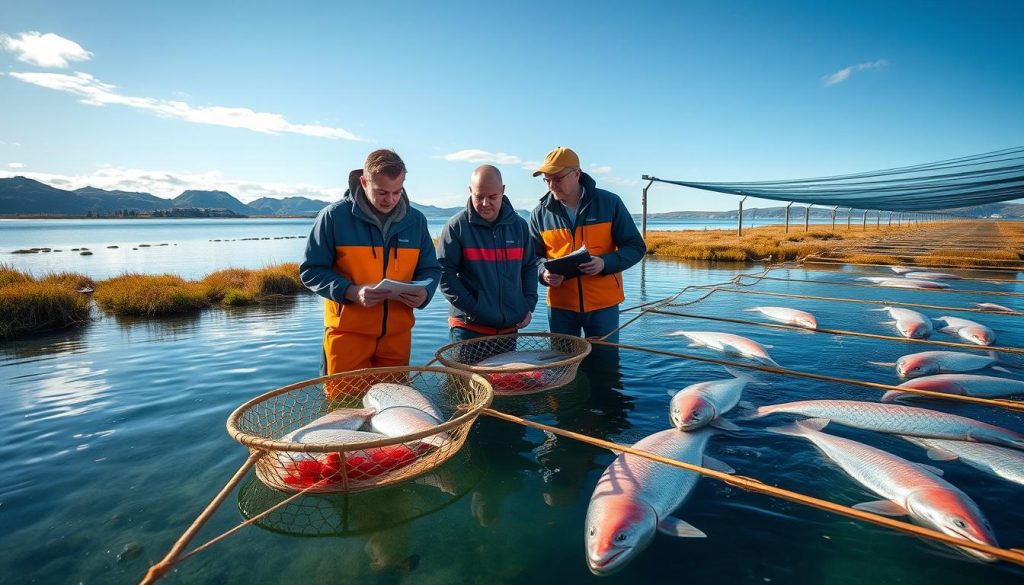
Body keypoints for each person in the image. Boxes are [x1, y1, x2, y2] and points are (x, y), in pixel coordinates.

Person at [300, 149, 440, 375]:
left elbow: (431, 268)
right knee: (344, 406)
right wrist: (351, 291)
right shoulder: (333, 217)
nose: (391, 200)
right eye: (382, 192)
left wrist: (426, 292)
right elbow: (311, 270)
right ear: (364, 182)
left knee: (395, 404)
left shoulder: (416, 221)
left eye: (397, 192)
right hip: (347, 336)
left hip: (398, 337)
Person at [529, 147, 646, 342]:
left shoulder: (610, 203)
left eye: (557, 179)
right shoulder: (539, 214)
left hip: (604, 306)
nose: (551, 186)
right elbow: (531, 258)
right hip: (560, 307)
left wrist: (604, 263)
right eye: (547, 180)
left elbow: (636, 247)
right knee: (563, 364)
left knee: (605, 364)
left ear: (576, 174)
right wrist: (543, 272)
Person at [437, 165, 538, 342]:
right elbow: (444, 274)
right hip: (468, 328)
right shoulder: (456, 227)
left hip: (508, 328)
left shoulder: (520, 227)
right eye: (479, 196)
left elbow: (529, 267)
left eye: (492, 197)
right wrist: (475, 308)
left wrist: (528, 305)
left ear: (503, 190)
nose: (485, 203)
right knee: (469, 372)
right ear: (470, 190)